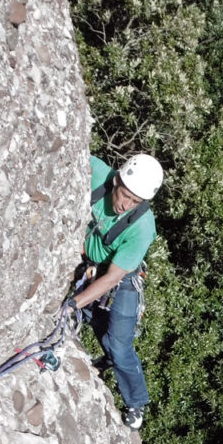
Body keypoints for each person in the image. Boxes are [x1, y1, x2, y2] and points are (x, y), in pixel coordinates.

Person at [70, 153, 162, 430]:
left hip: (121, 279)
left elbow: (112, 278)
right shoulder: (99, 175)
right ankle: (109, 358)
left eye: (135, 201)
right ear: (117, 181)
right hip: (93, 265)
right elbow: (71, 152)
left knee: (120, 345)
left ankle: (136, 403)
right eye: (125, 195)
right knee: (97, 324)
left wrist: (73, 303)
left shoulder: (142, 228)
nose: (125, 205)